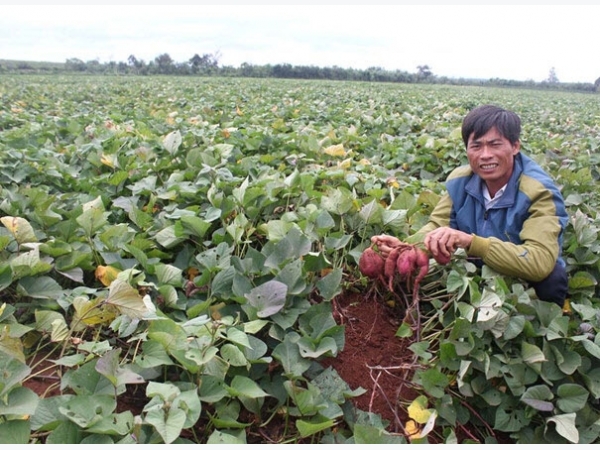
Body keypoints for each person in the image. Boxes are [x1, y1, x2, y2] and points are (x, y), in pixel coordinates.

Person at [372, 104, 569, 307]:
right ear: (467, 149)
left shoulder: (539, 192)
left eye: (495, 144)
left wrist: (471, 242)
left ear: (515, 146)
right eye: (476, 146)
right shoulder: (460, 181)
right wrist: (407, 247)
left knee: (552, 279)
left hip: (518, 271)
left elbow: (539, 261)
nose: (485, 155)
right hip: (474, 266)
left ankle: (543, 327)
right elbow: (436, 226)